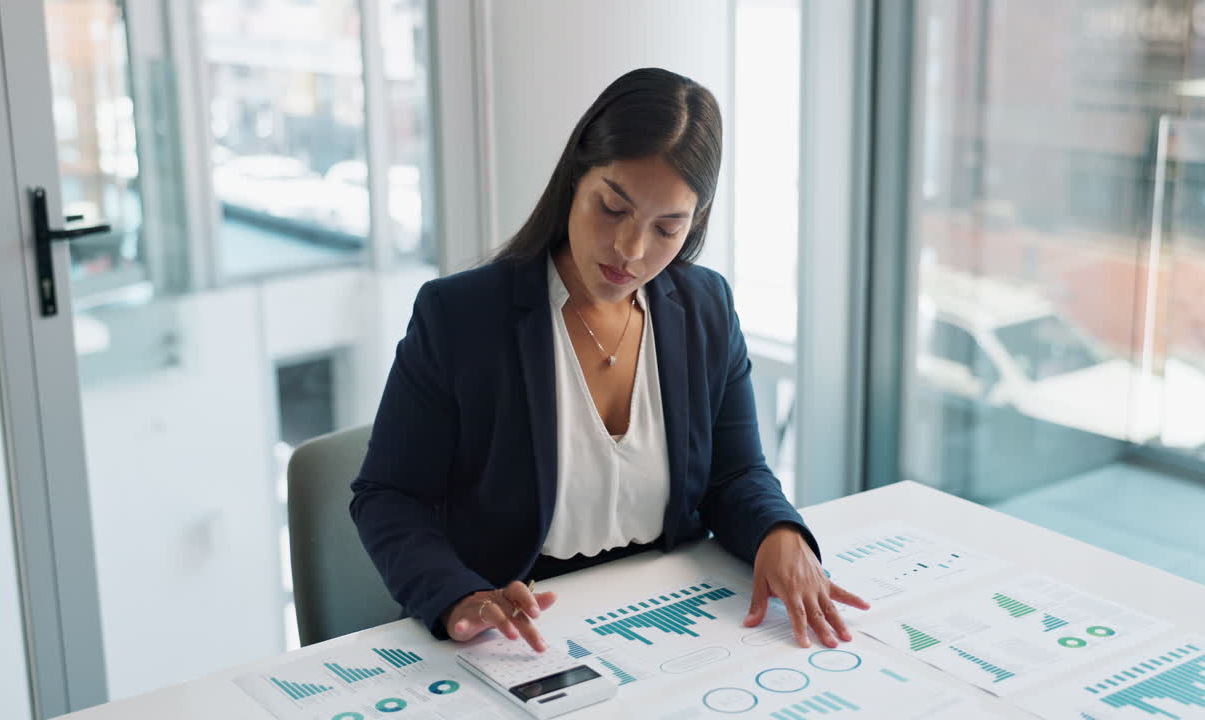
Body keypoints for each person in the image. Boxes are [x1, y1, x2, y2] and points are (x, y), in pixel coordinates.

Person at [350, 67, 868, 654]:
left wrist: (779, 532)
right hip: (520, 631)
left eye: (667, 228)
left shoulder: (707, 308)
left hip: (669, 615)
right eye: (613, 208)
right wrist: (457, 595)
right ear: (576, 179)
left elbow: (735, 473)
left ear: (693, 224)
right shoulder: (461, 317)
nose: (631, 250)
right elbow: (389, 494)